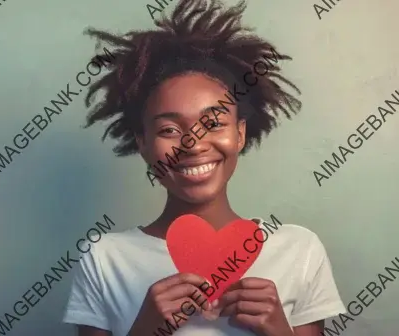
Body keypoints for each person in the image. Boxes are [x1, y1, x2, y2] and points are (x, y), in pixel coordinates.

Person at [62, 0, 346, 335]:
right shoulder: (104, 258)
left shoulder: (299, 250)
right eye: (169, 129)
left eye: (213, 123)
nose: (192, 144)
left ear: (239, 133)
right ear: (142, 142)